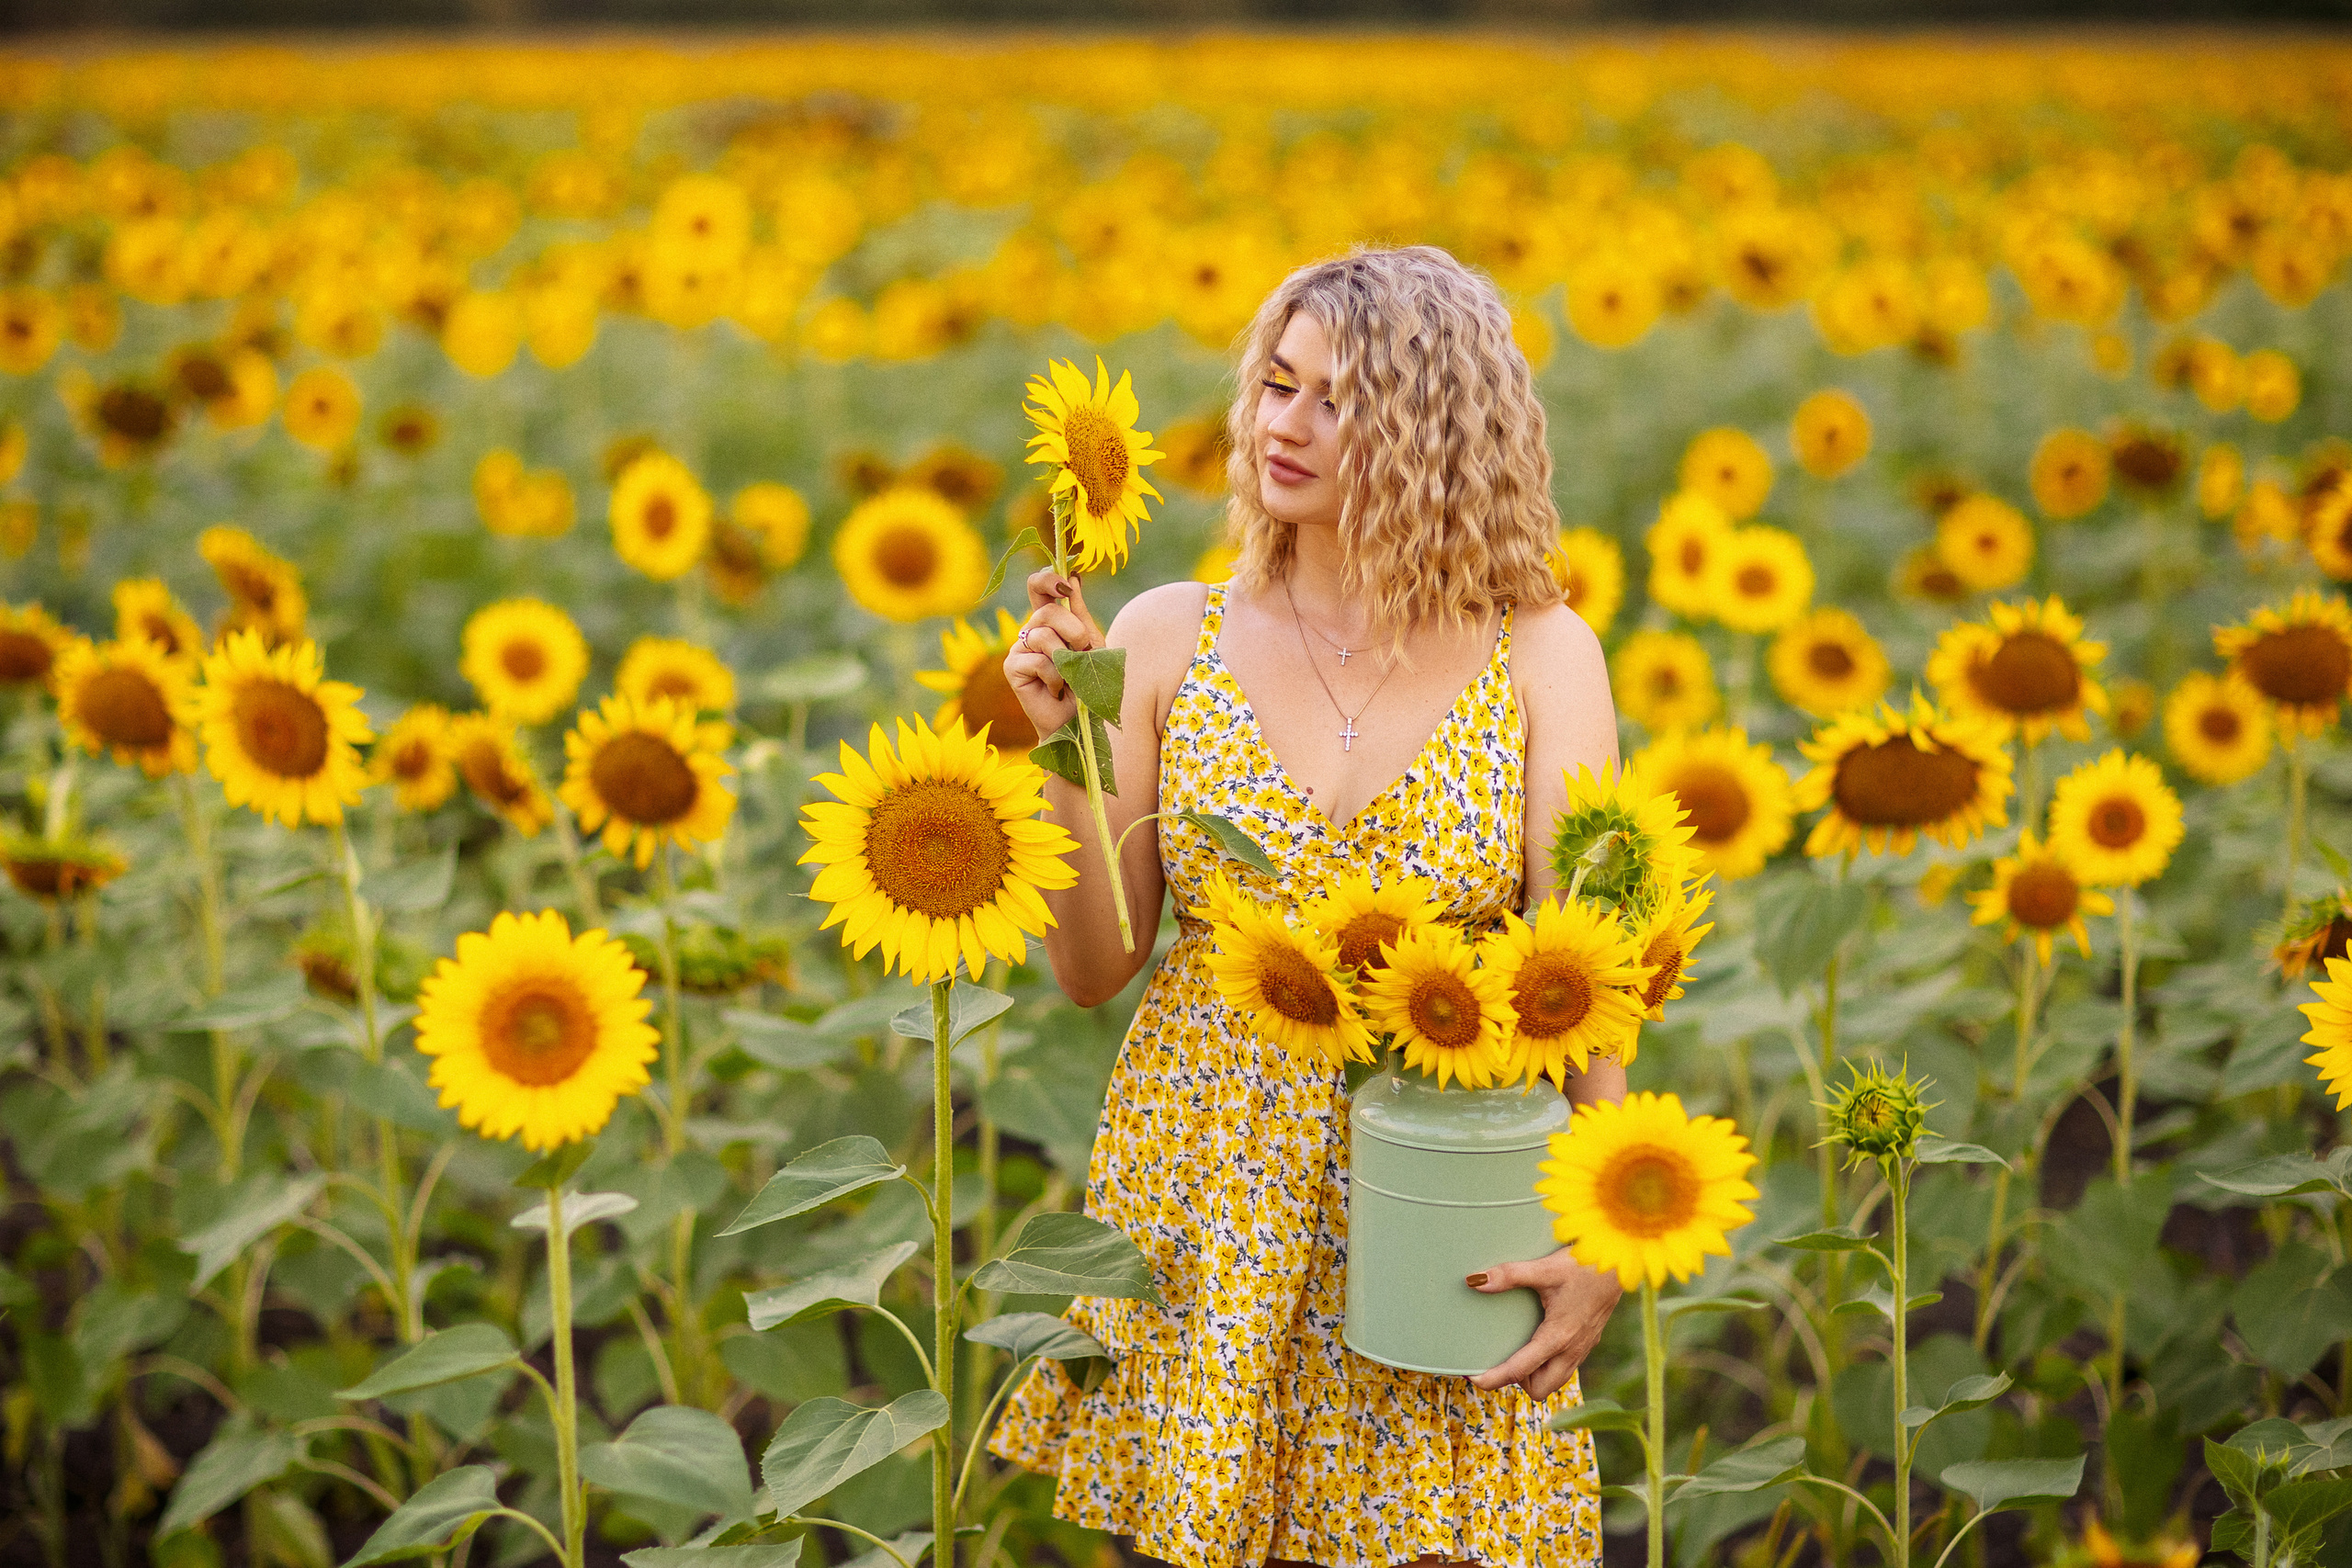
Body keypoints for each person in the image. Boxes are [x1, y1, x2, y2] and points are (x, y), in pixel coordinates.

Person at [988, 245, 1624, 1568]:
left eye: (1339, 400)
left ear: (1437, 433)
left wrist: (1604, 1235)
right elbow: (1095, 968)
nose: (1283, 423)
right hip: (1204, 1184)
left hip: (1433, 1180)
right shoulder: (1167, 637)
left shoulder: (1543, 654)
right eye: (1277, 384)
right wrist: (1064, 743)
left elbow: (1587, 973)